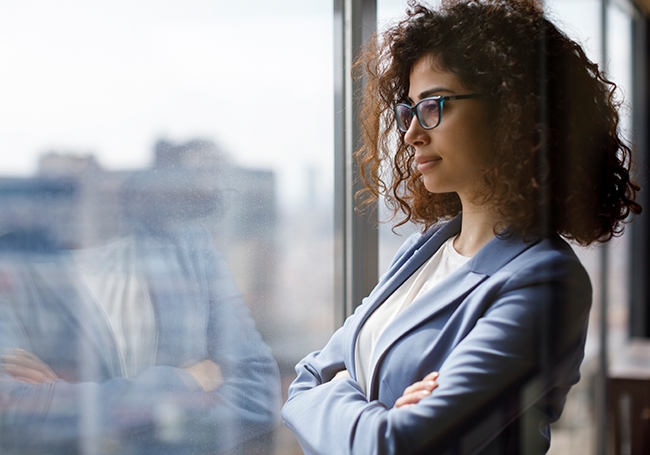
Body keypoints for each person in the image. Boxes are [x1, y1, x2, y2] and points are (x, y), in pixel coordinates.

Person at [282, 0, 641, 454]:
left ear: (514, 110)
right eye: (409, 110)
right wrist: (377, 411)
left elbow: (394, 444)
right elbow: (304, 382)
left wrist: (345, 395)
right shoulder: (425, 249)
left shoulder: (546, 282)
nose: (411, 133)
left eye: (434, 105)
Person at [0, 189, 281, 453]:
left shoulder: (188, 245)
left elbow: (259, 396)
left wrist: (64, 400)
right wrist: (182, 381)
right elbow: (13, 415)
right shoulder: (9, 260)